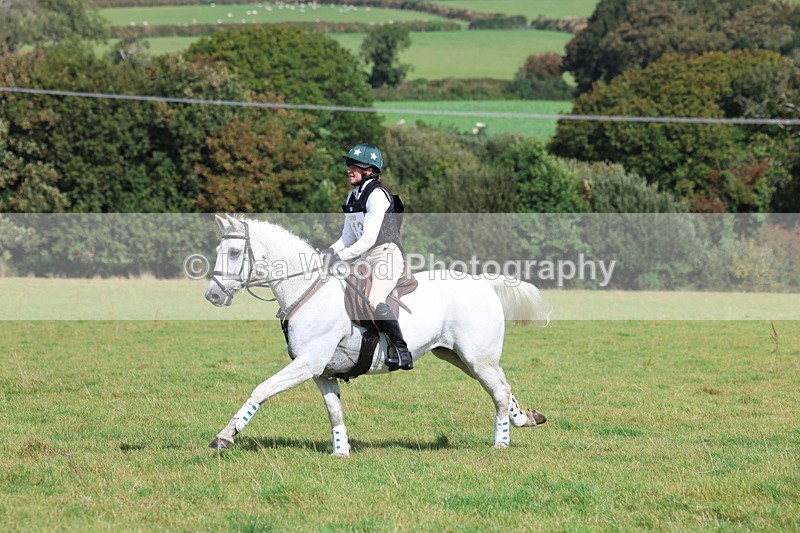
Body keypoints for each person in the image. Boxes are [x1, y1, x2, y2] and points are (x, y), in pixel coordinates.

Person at [321, 143, 413, 371]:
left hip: (386, 255)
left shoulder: (378, 196)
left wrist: (339, 257)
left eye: (355, 166)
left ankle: (401, 350)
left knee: (374, 299)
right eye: (349, 164)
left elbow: (368, 240)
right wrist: (328, 252)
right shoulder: (353, 196)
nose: (349, 169)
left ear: (370, 171)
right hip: (364, 258)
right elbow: (347, 237)